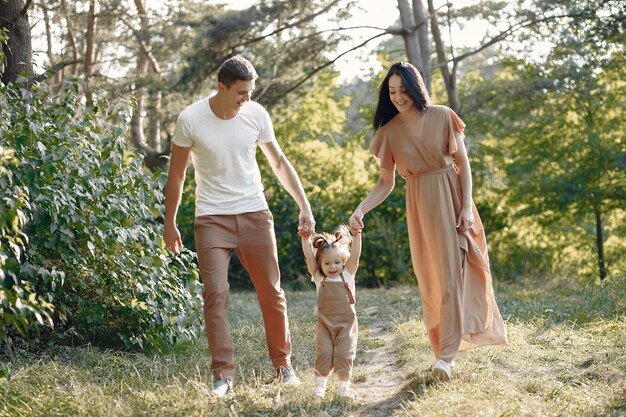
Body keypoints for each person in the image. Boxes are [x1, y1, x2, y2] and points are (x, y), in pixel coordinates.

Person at [163, 55, 316, 397]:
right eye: (241, 93)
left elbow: (278, 161)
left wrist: (303, 204)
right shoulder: (190, 119)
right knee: (215, 293)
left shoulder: (256, 114)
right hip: (211, 218)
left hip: (254, 213)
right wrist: (169, 222)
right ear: (221, 87)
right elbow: (177, 174)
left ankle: (284, 365)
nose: (247, 99)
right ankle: (222, 376)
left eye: (250, 92)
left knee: (271, 292)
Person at [349, 61, 508, 382]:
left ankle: (447, 358)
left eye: (403, 90)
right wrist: (361, 209)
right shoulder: (390, 131)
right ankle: (441, 354)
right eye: (392, 92)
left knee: (451, 277)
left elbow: (462, 162)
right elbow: (386, 182)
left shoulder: (442, 115)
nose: (398, 97)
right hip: (419, 208)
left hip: (451, 200)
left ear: (415, 87)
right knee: (431, 281)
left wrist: (465, 208)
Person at [302, 225, 361, 399]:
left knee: (344, 354)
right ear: (320, 264)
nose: (332, 267)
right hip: (325, 325)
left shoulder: (348, 275)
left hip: (346, 325)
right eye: (327, 263)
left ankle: (344, 388)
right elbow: (309, 257)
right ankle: (319, 388)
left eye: (337, 262)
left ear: (344, 262)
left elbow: (356, 255)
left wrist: (357, 235)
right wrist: (305, 239)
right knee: (324, 353)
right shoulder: (320, 278)